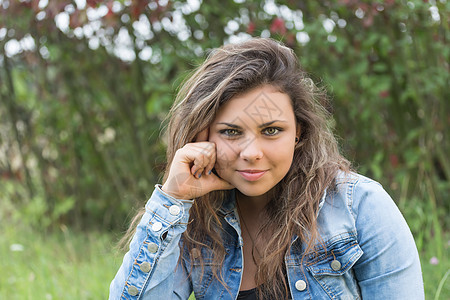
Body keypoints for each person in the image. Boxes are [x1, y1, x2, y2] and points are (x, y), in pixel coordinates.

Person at [109, 38, 424, 300]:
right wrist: (172, 199)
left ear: (298, 131)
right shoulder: (193, 222)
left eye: (271, 130)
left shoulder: (360, 208)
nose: (252, 153)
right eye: (231, 132)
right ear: (202, 135)